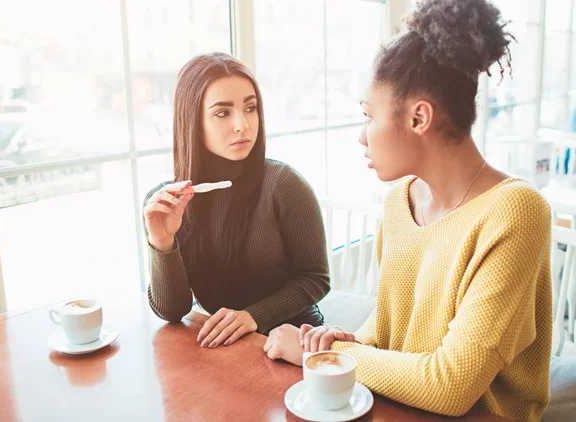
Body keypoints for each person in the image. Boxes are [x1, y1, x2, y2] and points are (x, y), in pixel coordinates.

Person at [264, 1, 552, 421]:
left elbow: (450, 385)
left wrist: (328, 357)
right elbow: (391, 326)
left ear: (419, 117)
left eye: (368, 116)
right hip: (398, 407)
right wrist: (347, 340)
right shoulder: (400, 201)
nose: (362, 137)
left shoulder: (517, 212)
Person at [143, 53, 330, 348]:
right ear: (191, 120)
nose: (242, 124)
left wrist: (252, 317)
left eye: (250, 108)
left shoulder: (284, 184)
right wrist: (162, 242)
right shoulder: (170, 201)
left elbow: (315, 278)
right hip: (227, 347)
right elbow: (172, 311)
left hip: (296, 343)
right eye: (222, 113)